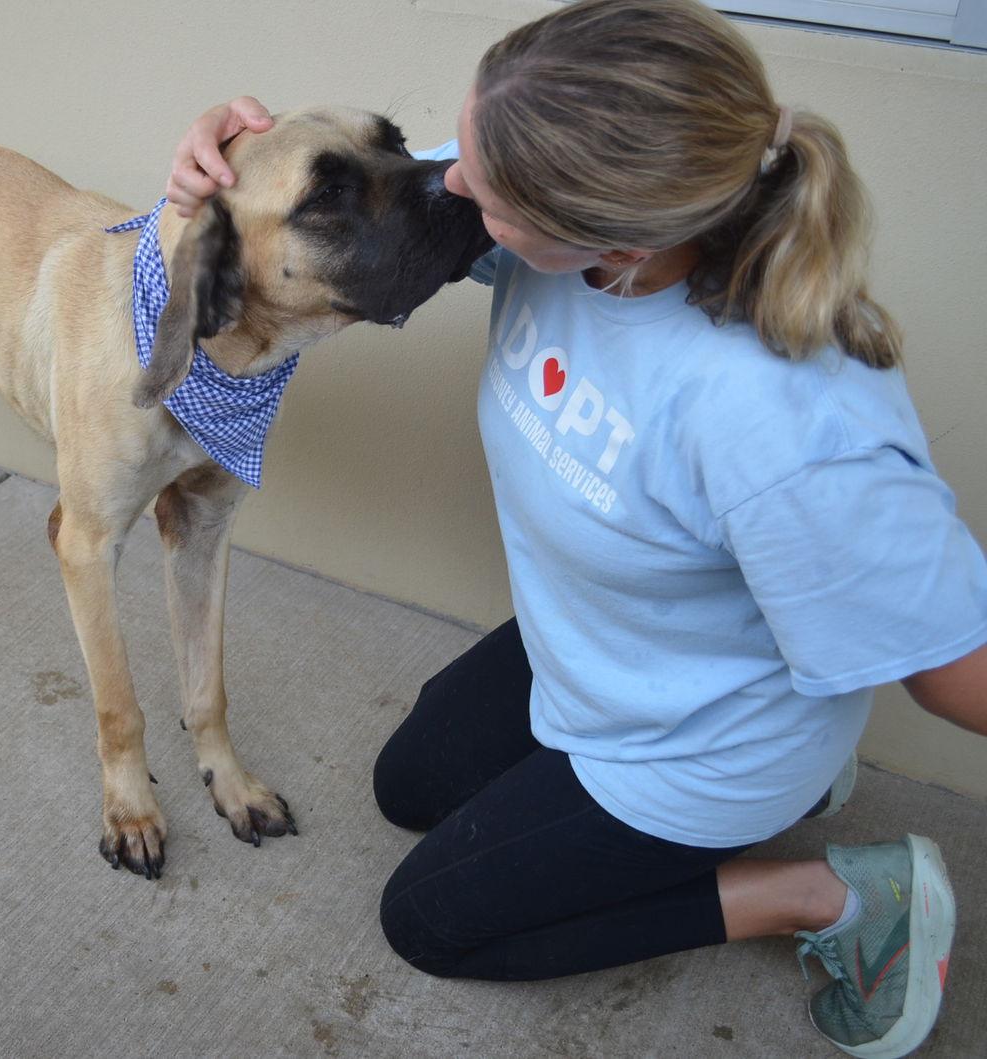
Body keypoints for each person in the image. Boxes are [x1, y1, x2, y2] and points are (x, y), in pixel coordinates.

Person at [164, 1, 987, 1055]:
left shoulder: (789, 434)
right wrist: (220, 160)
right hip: (597, 648)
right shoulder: (561, 213)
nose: (452, 185)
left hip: (699, 743)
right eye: (464, 148)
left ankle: (830, 895)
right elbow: (365, 196)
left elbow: (956, 669)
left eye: (489, 194)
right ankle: (792, 783)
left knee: (429, 921)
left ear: (616, 229)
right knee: (405, 787)